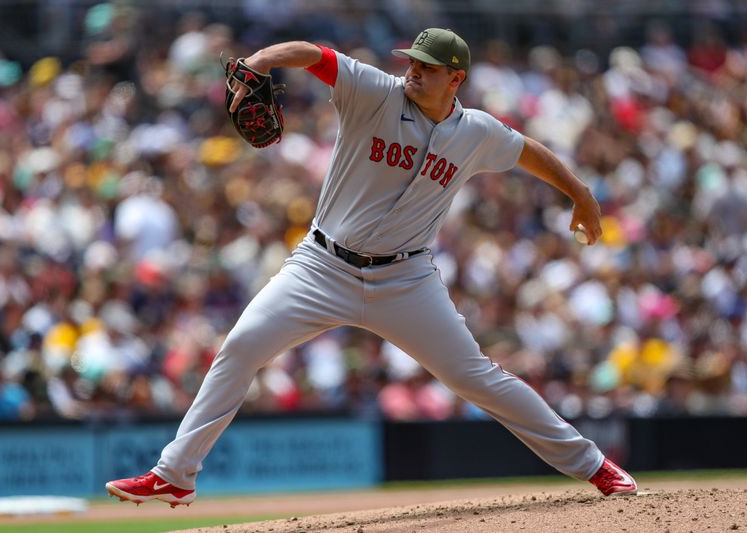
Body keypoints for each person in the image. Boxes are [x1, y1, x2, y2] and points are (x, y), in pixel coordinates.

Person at [105, 28, 637, 507]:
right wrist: (261, 60)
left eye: (427, 66)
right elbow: (314, 54)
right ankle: (175, 474)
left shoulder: (476, 131)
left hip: (406, 280)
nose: (413, 70)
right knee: (240, 348)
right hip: (321, 267)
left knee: (476, 377)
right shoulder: (375, 91)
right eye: (413, 60)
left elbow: (528, 152)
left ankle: (595, 466)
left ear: (456, 78)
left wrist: (581, 194)